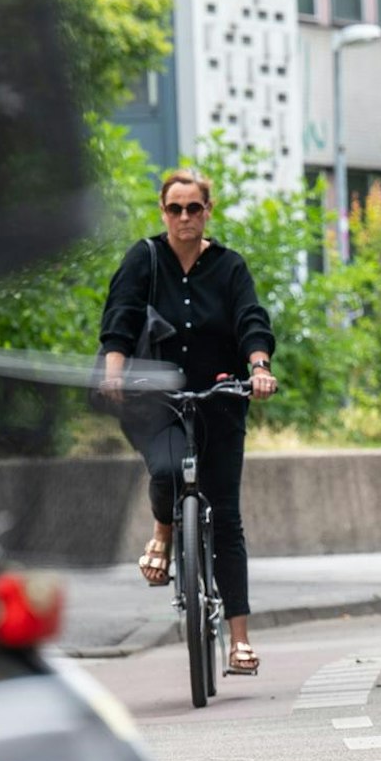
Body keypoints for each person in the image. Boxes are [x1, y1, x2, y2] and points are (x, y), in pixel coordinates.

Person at [97, 168, 276, 676]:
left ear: (207, 211)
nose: (183, 217)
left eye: (193, 208)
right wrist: (113, 371)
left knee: (227, 516)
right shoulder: (144, 258)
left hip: (219, 398)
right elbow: (122, 316)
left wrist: (259, 367)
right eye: (174, 208)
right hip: (155, 399)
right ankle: (163, 531)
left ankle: (240, 640)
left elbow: (251, 320)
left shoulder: (229, 266)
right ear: (163, 211)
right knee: (167, 467)